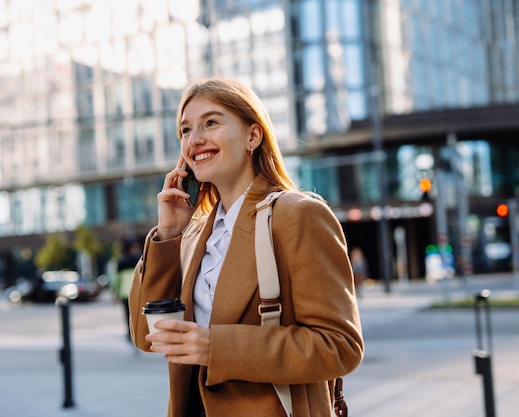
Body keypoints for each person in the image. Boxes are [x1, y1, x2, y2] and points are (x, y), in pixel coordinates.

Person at [129, 77, 364, 417]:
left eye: (211, 122)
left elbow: (339, 346)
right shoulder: (192, 235)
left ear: (253, 136)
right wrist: (168, 234)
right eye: (185, 130)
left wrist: (216, 347)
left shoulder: (297, 216)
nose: (195, 140)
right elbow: (144, 336)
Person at [112, 239, 142, 341]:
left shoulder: (122, 261)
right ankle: (137, 333)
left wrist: (115, 292)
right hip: (137, 291)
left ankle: (131, 333)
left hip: (125, 292)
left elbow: (117, 279)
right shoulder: (140, 259)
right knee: (138, 313)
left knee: (128, 314)